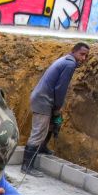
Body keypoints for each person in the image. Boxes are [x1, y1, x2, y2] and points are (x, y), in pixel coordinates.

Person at [22, 42, 90, 177]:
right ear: (74, 51)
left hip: (43, 98)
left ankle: (42, 148)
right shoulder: (69, 65)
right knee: (38, 132)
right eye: (82, 54)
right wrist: (57, 108)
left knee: (50, 125)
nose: (83, 58)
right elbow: (60, 89)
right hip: (43, 100)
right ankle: (26, 166)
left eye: (86, 56)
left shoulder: (65, 60)